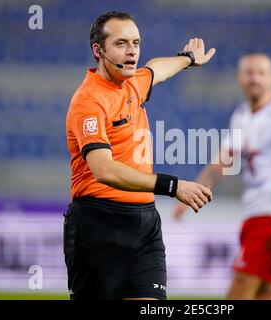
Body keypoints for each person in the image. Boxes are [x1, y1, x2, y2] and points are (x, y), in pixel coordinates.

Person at [64, 11, 215, 300]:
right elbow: (104, 170)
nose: (131, 50)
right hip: (99, 224)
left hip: (144, 222)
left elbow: (157, 68)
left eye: (136, 42)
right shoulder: (88, 101)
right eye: (121, 43)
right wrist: (173, 186)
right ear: (99, 50)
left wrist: (187, 59)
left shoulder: (133, 82)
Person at [173, 53, 271, 300]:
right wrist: (191, 195)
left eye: (261, 73)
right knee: (267, 292)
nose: (254, 78)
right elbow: (223, 162)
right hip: (256, 215)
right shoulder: (242, 115)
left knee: (239, 291)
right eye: (249, 72)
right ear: (239, 77)